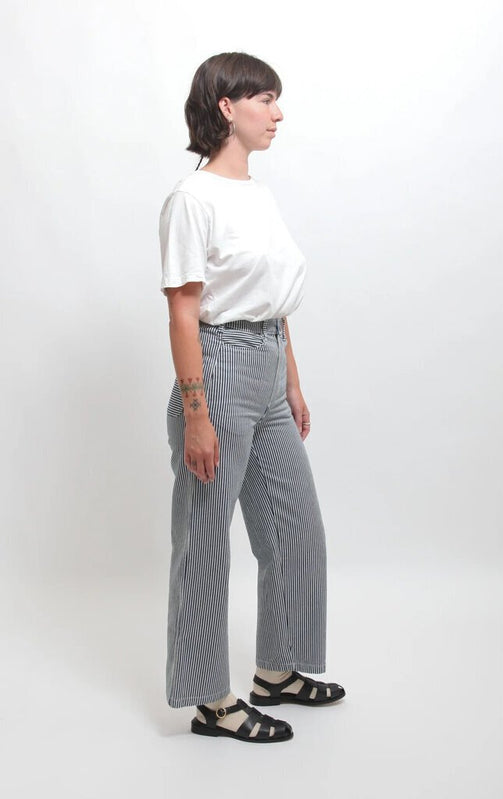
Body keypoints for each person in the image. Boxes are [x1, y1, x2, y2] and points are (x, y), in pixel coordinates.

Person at [158, 51, 345, 744]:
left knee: (297, 530)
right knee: (206, 543)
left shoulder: (259, 197)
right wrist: (197, 415)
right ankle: (211, 699)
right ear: (226, 106)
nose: (277, 113)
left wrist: (290, 382)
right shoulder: (192, 199)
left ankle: (278, 670)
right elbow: (183, 313)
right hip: (219, 369)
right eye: (265, 98)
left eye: (276, 99)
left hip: (266, 366)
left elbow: (273, 301)